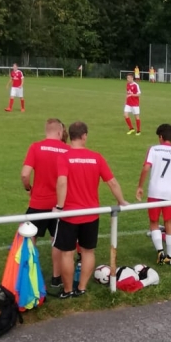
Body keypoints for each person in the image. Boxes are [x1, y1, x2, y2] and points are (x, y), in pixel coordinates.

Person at [53, 121, 127, 297]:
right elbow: (112, 182)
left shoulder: (64, 157)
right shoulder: (96, 157)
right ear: (84, 136)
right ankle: (82, 288)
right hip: (91, 215)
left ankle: (67, 290)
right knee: (88, 252)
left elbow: (62, 182)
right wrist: (121, 201)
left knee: (67, 253)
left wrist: (59, 207)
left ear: (70, 136)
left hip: (70, 215)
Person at [21, 118, 70, 288]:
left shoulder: (36, 147)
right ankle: (56, 278)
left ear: (46, 131)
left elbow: (25, 174)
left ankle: (30, 274)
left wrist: (28, 187)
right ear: (60, 132)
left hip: (38, 203)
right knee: (56, 240)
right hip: (59, 205)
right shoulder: (67, 150)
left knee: (30, 237)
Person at [136, 124, 171, 266]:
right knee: (169, 223)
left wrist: (140, 187)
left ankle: (160, 252)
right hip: (170, 194)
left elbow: (146, 168)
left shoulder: (154, 149)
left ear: (160, 137)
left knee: (154, 222)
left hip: (154, 192)